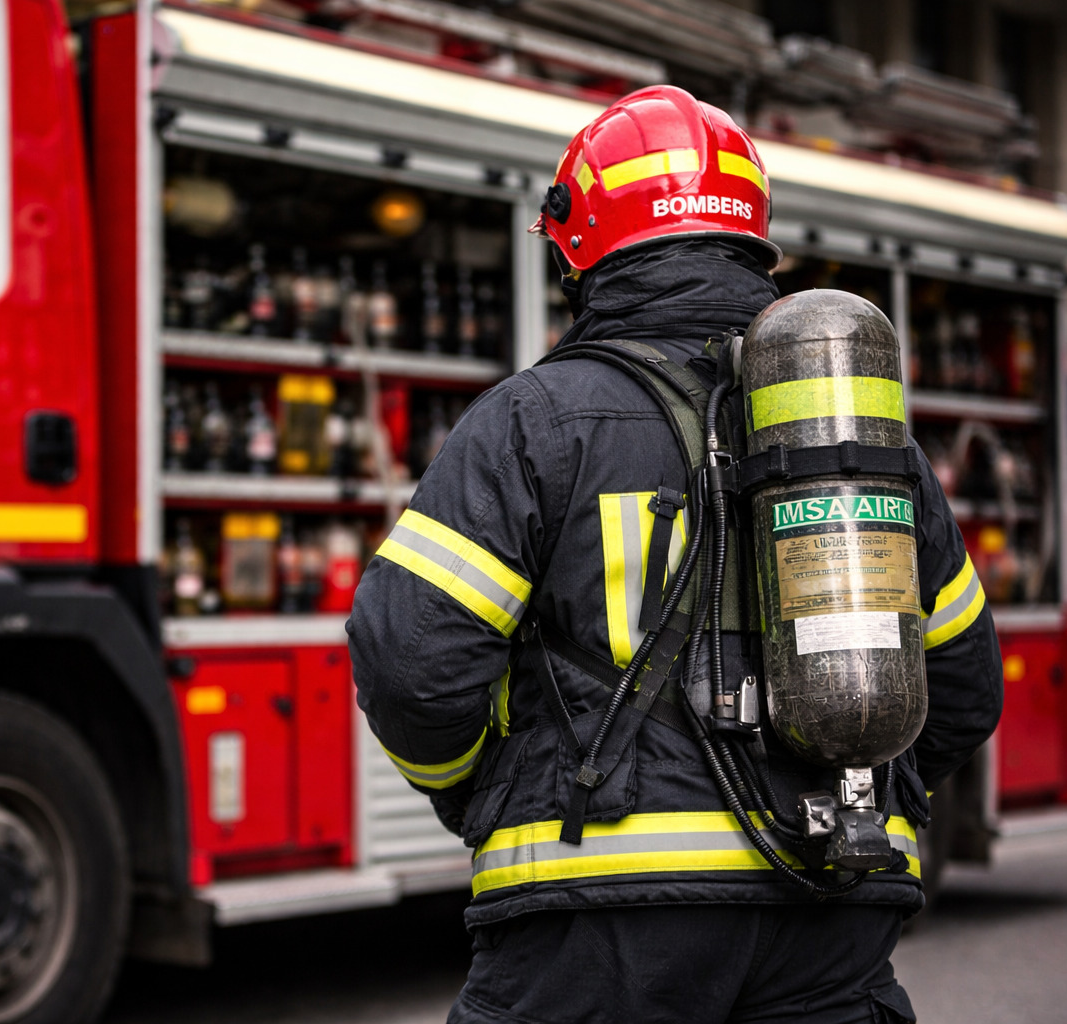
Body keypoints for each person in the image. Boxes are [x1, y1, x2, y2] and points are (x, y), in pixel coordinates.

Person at [346, 85, 1002, 1024]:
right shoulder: (856, 434)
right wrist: (844, 778)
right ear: (748, 235)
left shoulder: (535, 422)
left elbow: (411, 656)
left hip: (599, 927)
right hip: (833, 916)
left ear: (581, 243)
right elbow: (966, 682)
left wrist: (484, 793)